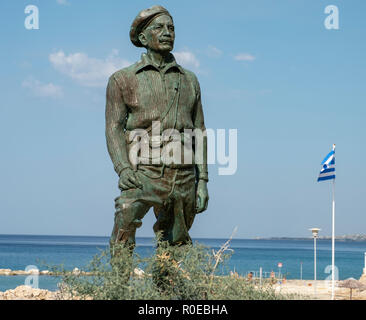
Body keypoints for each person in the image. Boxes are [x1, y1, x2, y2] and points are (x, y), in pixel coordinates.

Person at [105, 5, 209, 256]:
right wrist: (122, 168)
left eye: (171, 28)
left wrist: (202, 180)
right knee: (124, 224)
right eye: (159, 28)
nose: (167, 33)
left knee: (175, 244)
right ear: (143, 38)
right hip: (142, 171)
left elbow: (199, 131)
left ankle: (166, 293)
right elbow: (113, 128)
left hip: (183, 175)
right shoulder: (122, 79)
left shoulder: (189, 79)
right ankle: (119, 290)